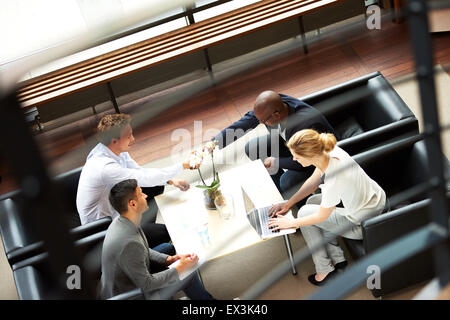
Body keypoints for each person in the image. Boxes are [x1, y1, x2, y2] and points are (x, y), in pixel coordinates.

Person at [267, 129, 386, 286]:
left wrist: (292, 223)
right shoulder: (327, 150)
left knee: (304, 213)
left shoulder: (335, 177)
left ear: (311, 156)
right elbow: (314, 181)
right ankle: (338, 259)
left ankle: (324, 270)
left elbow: (321, 217)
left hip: (363, 223)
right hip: (372, 201)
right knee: (312, 202)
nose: (294, 159)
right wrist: (288, 203)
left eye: (297, 156)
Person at [76, 113, 193, 249]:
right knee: (165, 232)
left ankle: (144, 229)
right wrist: (182, 165)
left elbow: (139, 172)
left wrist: (171, 180)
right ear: (114, 141)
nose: (133, 138)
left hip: (116, 204)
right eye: (128, 136)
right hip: (106, 227)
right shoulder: (105, 168)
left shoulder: (114, 149)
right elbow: (143, 178)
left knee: (156, 186)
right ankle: (143, 240)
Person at [213, 91, 337, 203]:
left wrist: (276, 162)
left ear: (276, 115)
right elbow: (248, 120)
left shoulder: (306, 124)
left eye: (263, 121)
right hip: (291, 144)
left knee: (287, 181)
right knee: (253, 148)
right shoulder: (276, 103)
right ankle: (280, 194)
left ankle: (300, 205)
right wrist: (214, 143)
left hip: (316, 160)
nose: (260, 123)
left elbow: (309, 161)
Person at [99, 179, 214, 300]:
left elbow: (142, 249)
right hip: (134, 293)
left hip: (134, 272)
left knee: (167, 248)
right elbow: (146, 284)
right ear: (132, 204)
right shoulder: (128, 243)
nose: (146, 196)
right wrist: (180, 268)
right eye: (141, 194)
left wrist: (169, 259)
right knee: (188, 274)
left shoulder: (125, 220)